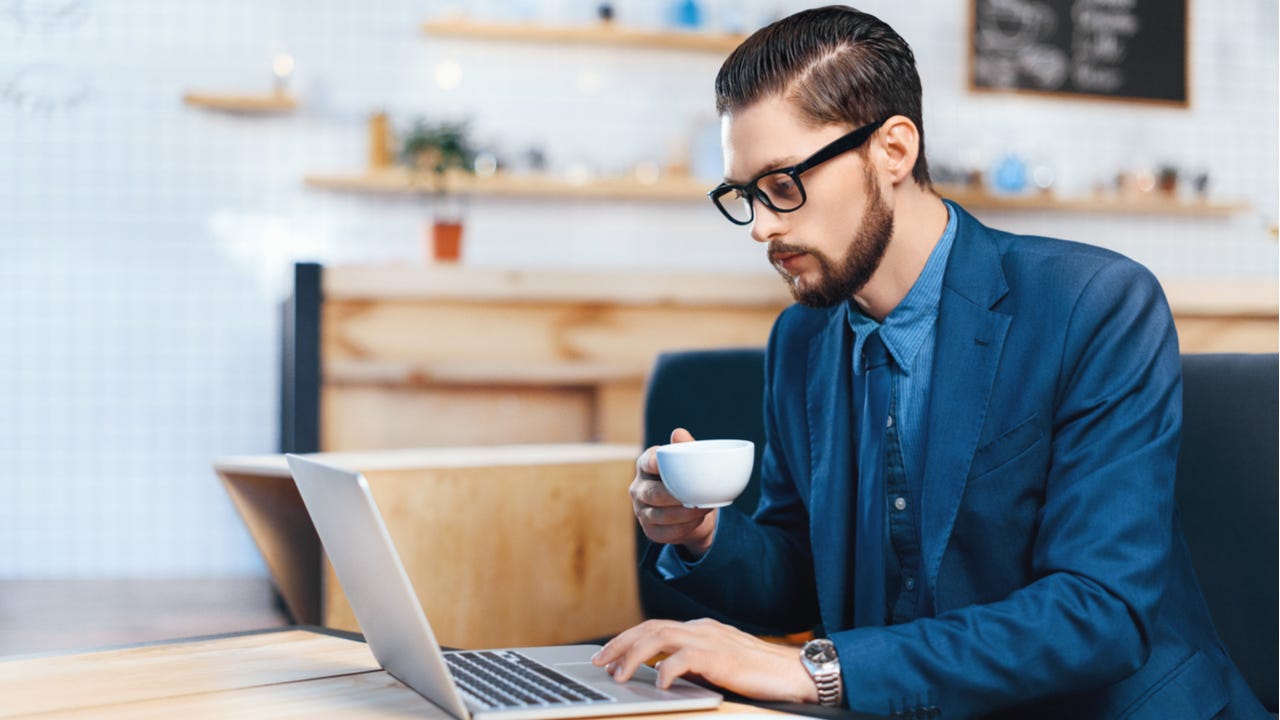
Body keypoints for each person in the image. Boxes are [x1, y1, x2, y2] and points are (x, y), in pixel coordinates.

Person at [589, 6, 1267, 719]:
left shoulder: (1095, 305)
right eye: (744, 195)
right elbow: (803, 572)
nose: (761, 225)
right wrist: (703, 536)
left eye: (784, 184)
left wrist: (818, 669)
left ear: (893, 149)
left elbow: (1097, 612)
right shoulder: (802, 340)